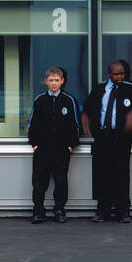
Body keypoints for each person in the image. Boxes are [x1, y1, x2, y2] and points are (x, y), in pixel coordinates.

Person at [82, 60, 132, 224]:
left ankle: (123, 211)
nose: (120, 77)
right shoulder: (99, 90)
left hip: (122, 138)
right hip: (103, 137)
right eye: (117, 74)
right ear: (109, 74)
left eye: (122, 73)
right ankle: (102, 211)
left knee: (121, 174)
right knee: (102, 173)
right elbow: (86, 110)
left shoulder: (130, 90)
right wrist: (87, 130)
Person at [27, 66, 80, 224]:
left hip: (61, 149)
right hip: (42, 149)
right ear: (46, 81)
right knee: (39, 181)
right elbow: (32, 124)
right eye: (51, 80)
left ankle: (59, 209)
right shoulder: (40, 100)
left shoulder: (68, 100)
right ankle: (38, 210)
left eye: (57, 80)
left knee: (61, 180)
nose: (54, 83)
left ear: (62, 81)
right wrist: (34, 143)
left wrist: (71, 144)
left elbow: (75, 125)